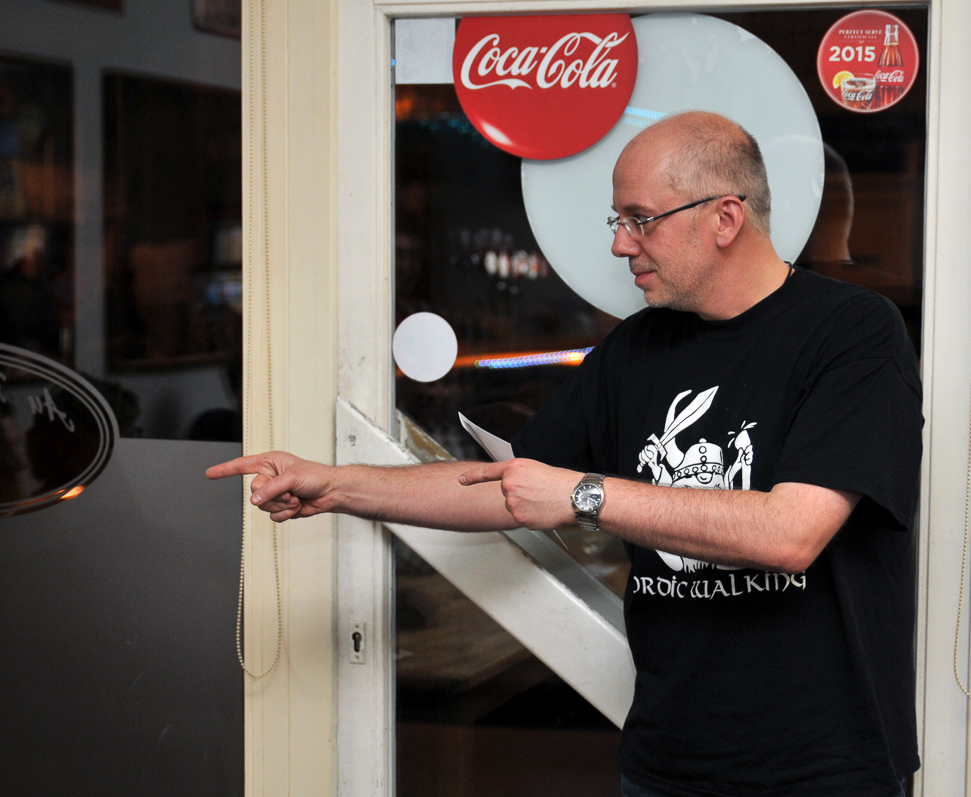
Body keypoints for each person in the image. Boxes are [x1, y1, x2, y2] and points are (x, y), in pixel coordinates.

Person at [209, 111, 923, 797]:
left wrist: (586, 494)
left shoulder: (853, 332)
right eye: (618, 221)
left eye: (640, 219)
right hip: (667, 764)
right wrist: (334, 485)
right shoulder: (638, 348)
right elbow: (505, 486)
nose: (620, 245)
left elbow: (791, 533)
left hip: (823, 768)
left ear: (725, 219)